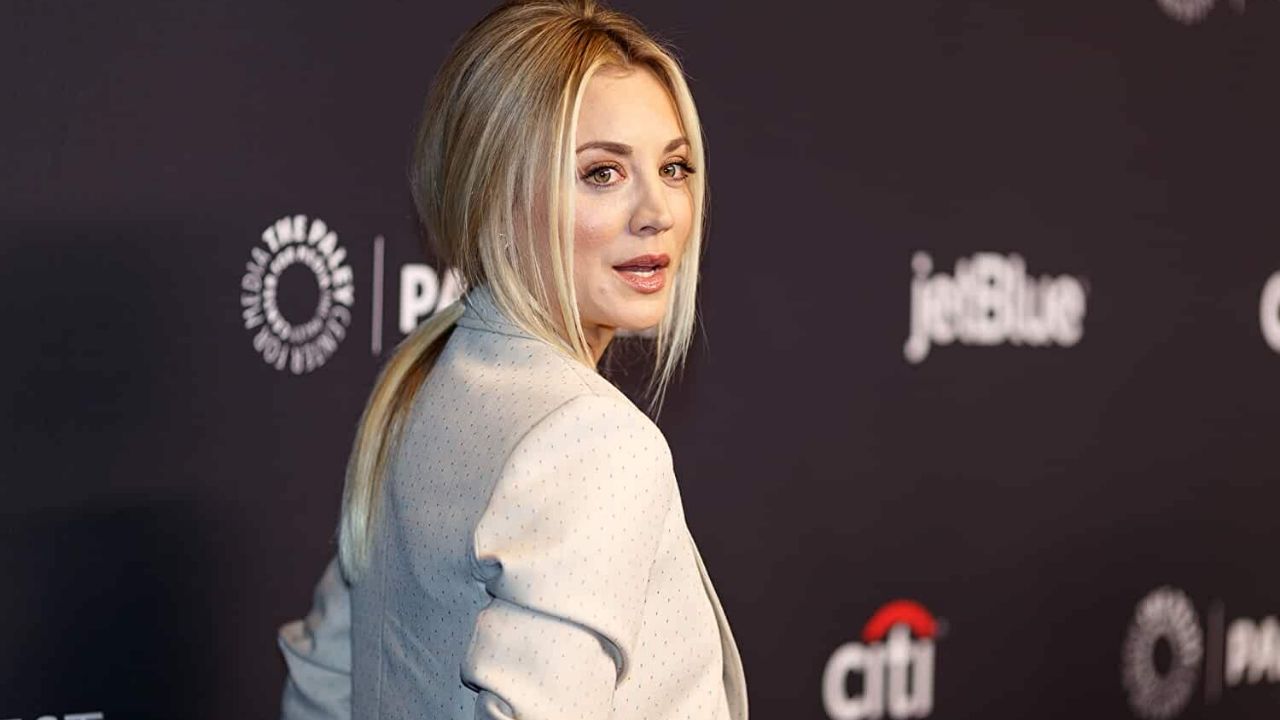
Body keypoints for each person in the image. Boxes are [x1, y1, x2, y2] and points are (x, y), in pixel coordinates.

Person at [275, 1, 747, 718]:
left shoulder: (422, 383)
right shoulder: (593, 442)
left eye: (673, 166)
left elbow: (322, 686)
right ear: (495, 194)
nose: (658, 210)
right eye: (602, 173)